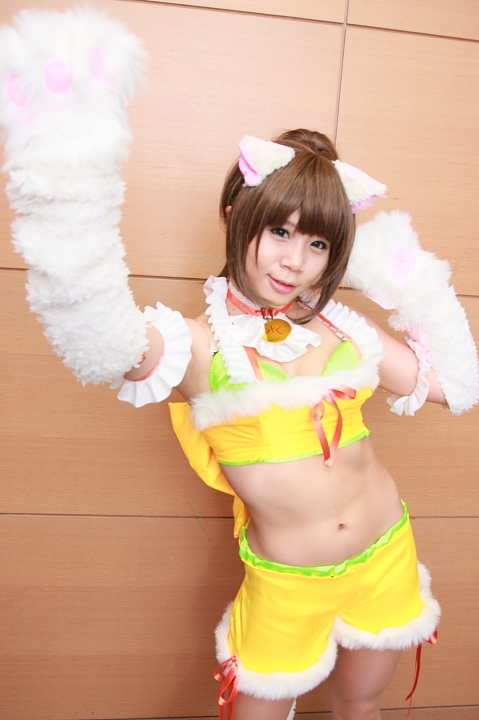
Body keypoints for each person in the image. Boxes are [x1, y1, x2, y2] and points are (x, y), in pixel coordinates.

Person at [1, 8, 477, 720]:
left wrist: (414, 282)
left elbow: (456, 386)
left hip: (386, 552)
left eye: (319, 244)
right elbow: (101, 341)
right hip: (286, 581)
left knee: (362, 706)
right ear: (235, 213)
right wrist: (65, 162)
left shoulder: (347, 331)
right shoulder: (197, 345)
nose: (295, 261)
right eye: (280, 231)